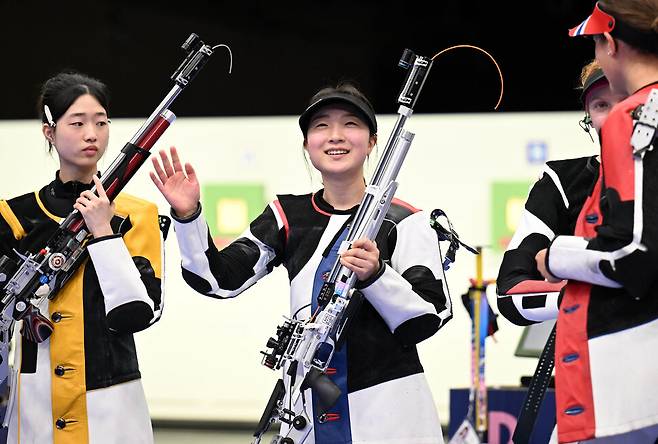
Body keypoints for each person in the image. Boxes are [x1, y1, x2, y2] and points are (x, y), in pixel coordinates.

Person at [151, 83, 452, 443]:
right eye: (321, 125)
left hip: (390, 412)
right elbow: (217, 280)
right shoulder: (287, 215)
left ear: (372, 141)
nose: (335, 136)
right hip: (308, 409)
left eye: (351, 124)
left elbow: (427, 318)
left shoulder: (406, 220)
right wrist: (188, 216)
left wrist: (376, 275)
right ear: (307, 143)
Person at [0, 72, 165, 443]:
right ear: (49, 131)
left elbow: (138, 312)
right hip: (34, 402)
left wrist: (104, 232)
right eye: (77, 123)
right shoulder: (14, 216)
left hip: (112, 404)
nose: (92, 133)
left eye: (101, 122)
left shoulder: (137, 214)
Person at [534, 1, 658, 442]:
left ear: (609, 43)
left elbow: (634, 252)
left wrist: (558, 255)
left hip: (627, 387)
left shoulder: (638, 115)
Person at [496, 60, 625, 325]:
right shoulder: (562, 182)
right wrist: (583, 297)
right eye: (601, 105)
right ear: (587, 116)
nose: (615, 115)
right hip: (592, 355)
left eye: (624, 99)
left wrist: (568, 260)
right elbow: (509, 293)